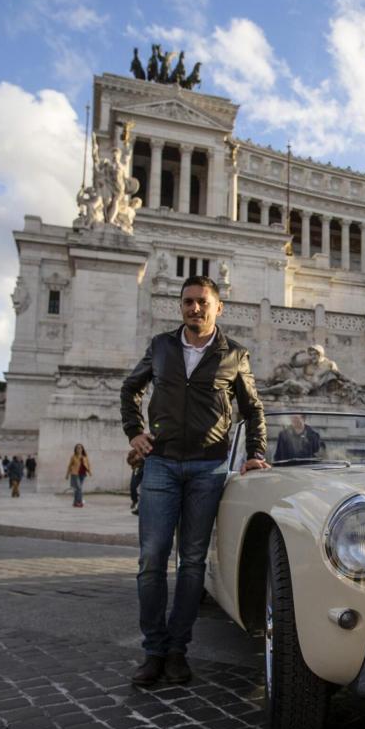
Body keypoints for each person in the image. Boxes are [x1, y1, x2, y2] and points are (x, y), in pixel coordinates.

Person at [120, 274, 269, 687]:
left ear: (218, 307)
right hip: (161, 464)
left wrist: (256, 454)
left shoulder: (234, 354)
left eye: (203, 302)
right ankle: (153, 650)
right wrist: (134, 431)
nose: (195, 308)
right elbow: (130, 389)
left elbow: (252, 409)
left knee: (192, 563)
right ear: (180, 306)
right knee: (151, 560)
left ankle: (177, 650)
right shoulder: (161, 347)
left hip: (208, 467)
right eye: (188, 301)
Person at [128, 448, 144, 515]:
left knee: (143, 490)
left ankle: (140, 509)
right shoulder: (133, 452)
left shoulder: (148, 450)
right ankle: (134, 501)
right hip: (137, 469)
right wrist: (136, 459)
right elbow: (129, 461)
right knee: (133, 486)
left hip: (146, 469)